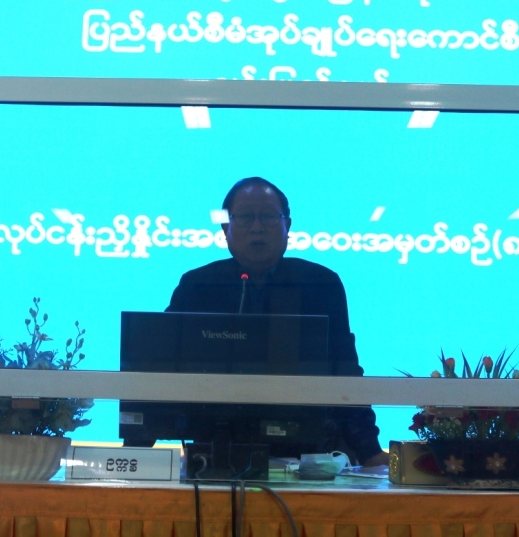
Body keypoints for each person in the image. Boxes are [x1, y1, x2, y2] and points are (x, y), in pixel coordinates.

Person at [165, 176, 389, 467]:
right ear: (225, 229)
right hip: (218, 448)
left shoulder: (321, 284)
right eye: (245, 217)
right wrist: (135, 449)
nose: (257, 227)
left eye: (269, 217)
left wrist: (369, 451)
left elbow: (345, 370)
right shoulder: (198, 286)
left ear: (288, 227)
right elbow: (159, 368)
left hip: (310, 452)